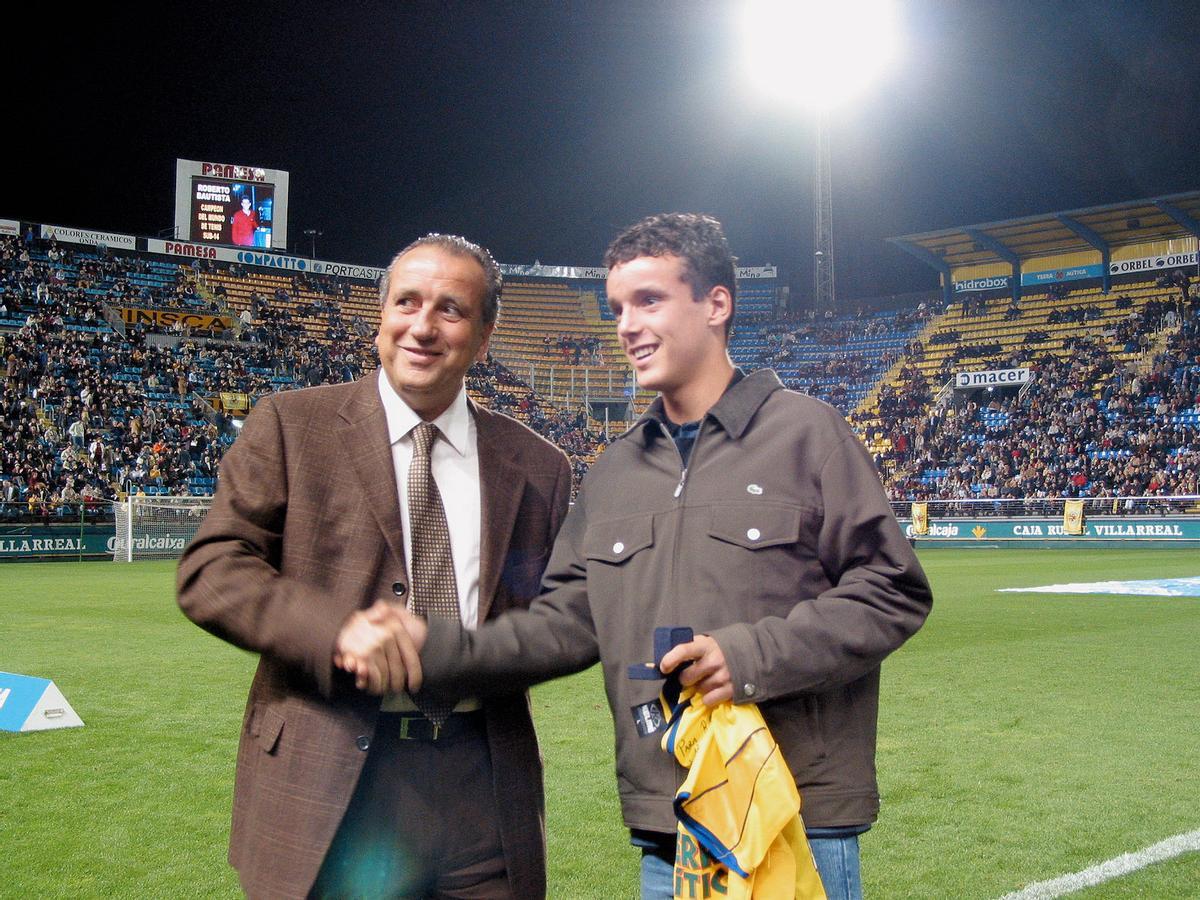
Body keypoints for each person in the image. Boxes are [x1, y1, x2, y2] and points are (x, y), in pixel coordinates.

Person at [407, 214, 933, 899]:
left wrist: (748, 658)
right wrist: (431, 652)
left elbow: (893, 588)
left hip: (786, 818)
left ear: (717, 304)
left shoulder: (808, 433)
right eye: (618, 307)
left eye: (649, 300)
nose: (626, 324)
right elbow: (563, 622)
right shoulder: (615, 470)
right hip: (668, 828)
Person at [177, 234, 573, 899]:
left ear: (484, 335)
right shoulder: (289, 425)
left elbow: (560, 623)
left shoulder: (540, 467)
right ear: (380, 315)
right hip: (326, 777)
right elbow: (212, 567)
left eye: (450, 309)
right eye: (406, 302)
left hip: (482, 788)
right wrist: (337, 630)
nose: (422, 325)